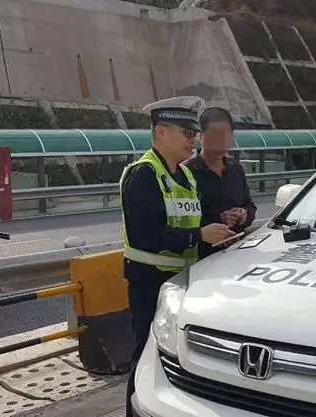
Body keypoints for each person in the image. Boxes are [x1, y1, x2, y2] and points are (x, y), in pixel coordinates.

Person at [120, 96, 235, 416]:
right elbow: (147, 236)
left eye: (195, 133)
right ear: (160, 131)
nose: (193, 139)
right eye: (186, 133)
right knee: (146, 358)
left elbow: (188, 223)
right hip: (150, 283)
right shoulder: (144, 174)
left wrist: (217, 230)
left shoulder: (185, 177)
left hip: (184, 281)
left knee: (180, 359)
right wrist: (199, 235)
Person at [185, 107, 257, 258]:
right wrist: (218, 220)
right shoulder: (186, 172)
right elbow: (182, 222)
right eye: (214, 135)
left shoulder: (235, 168)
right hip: (203, 257)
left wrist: (244, 215)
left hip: (237, 253)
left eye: (226, 135)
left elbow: (250, 206)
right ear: (200, 135)